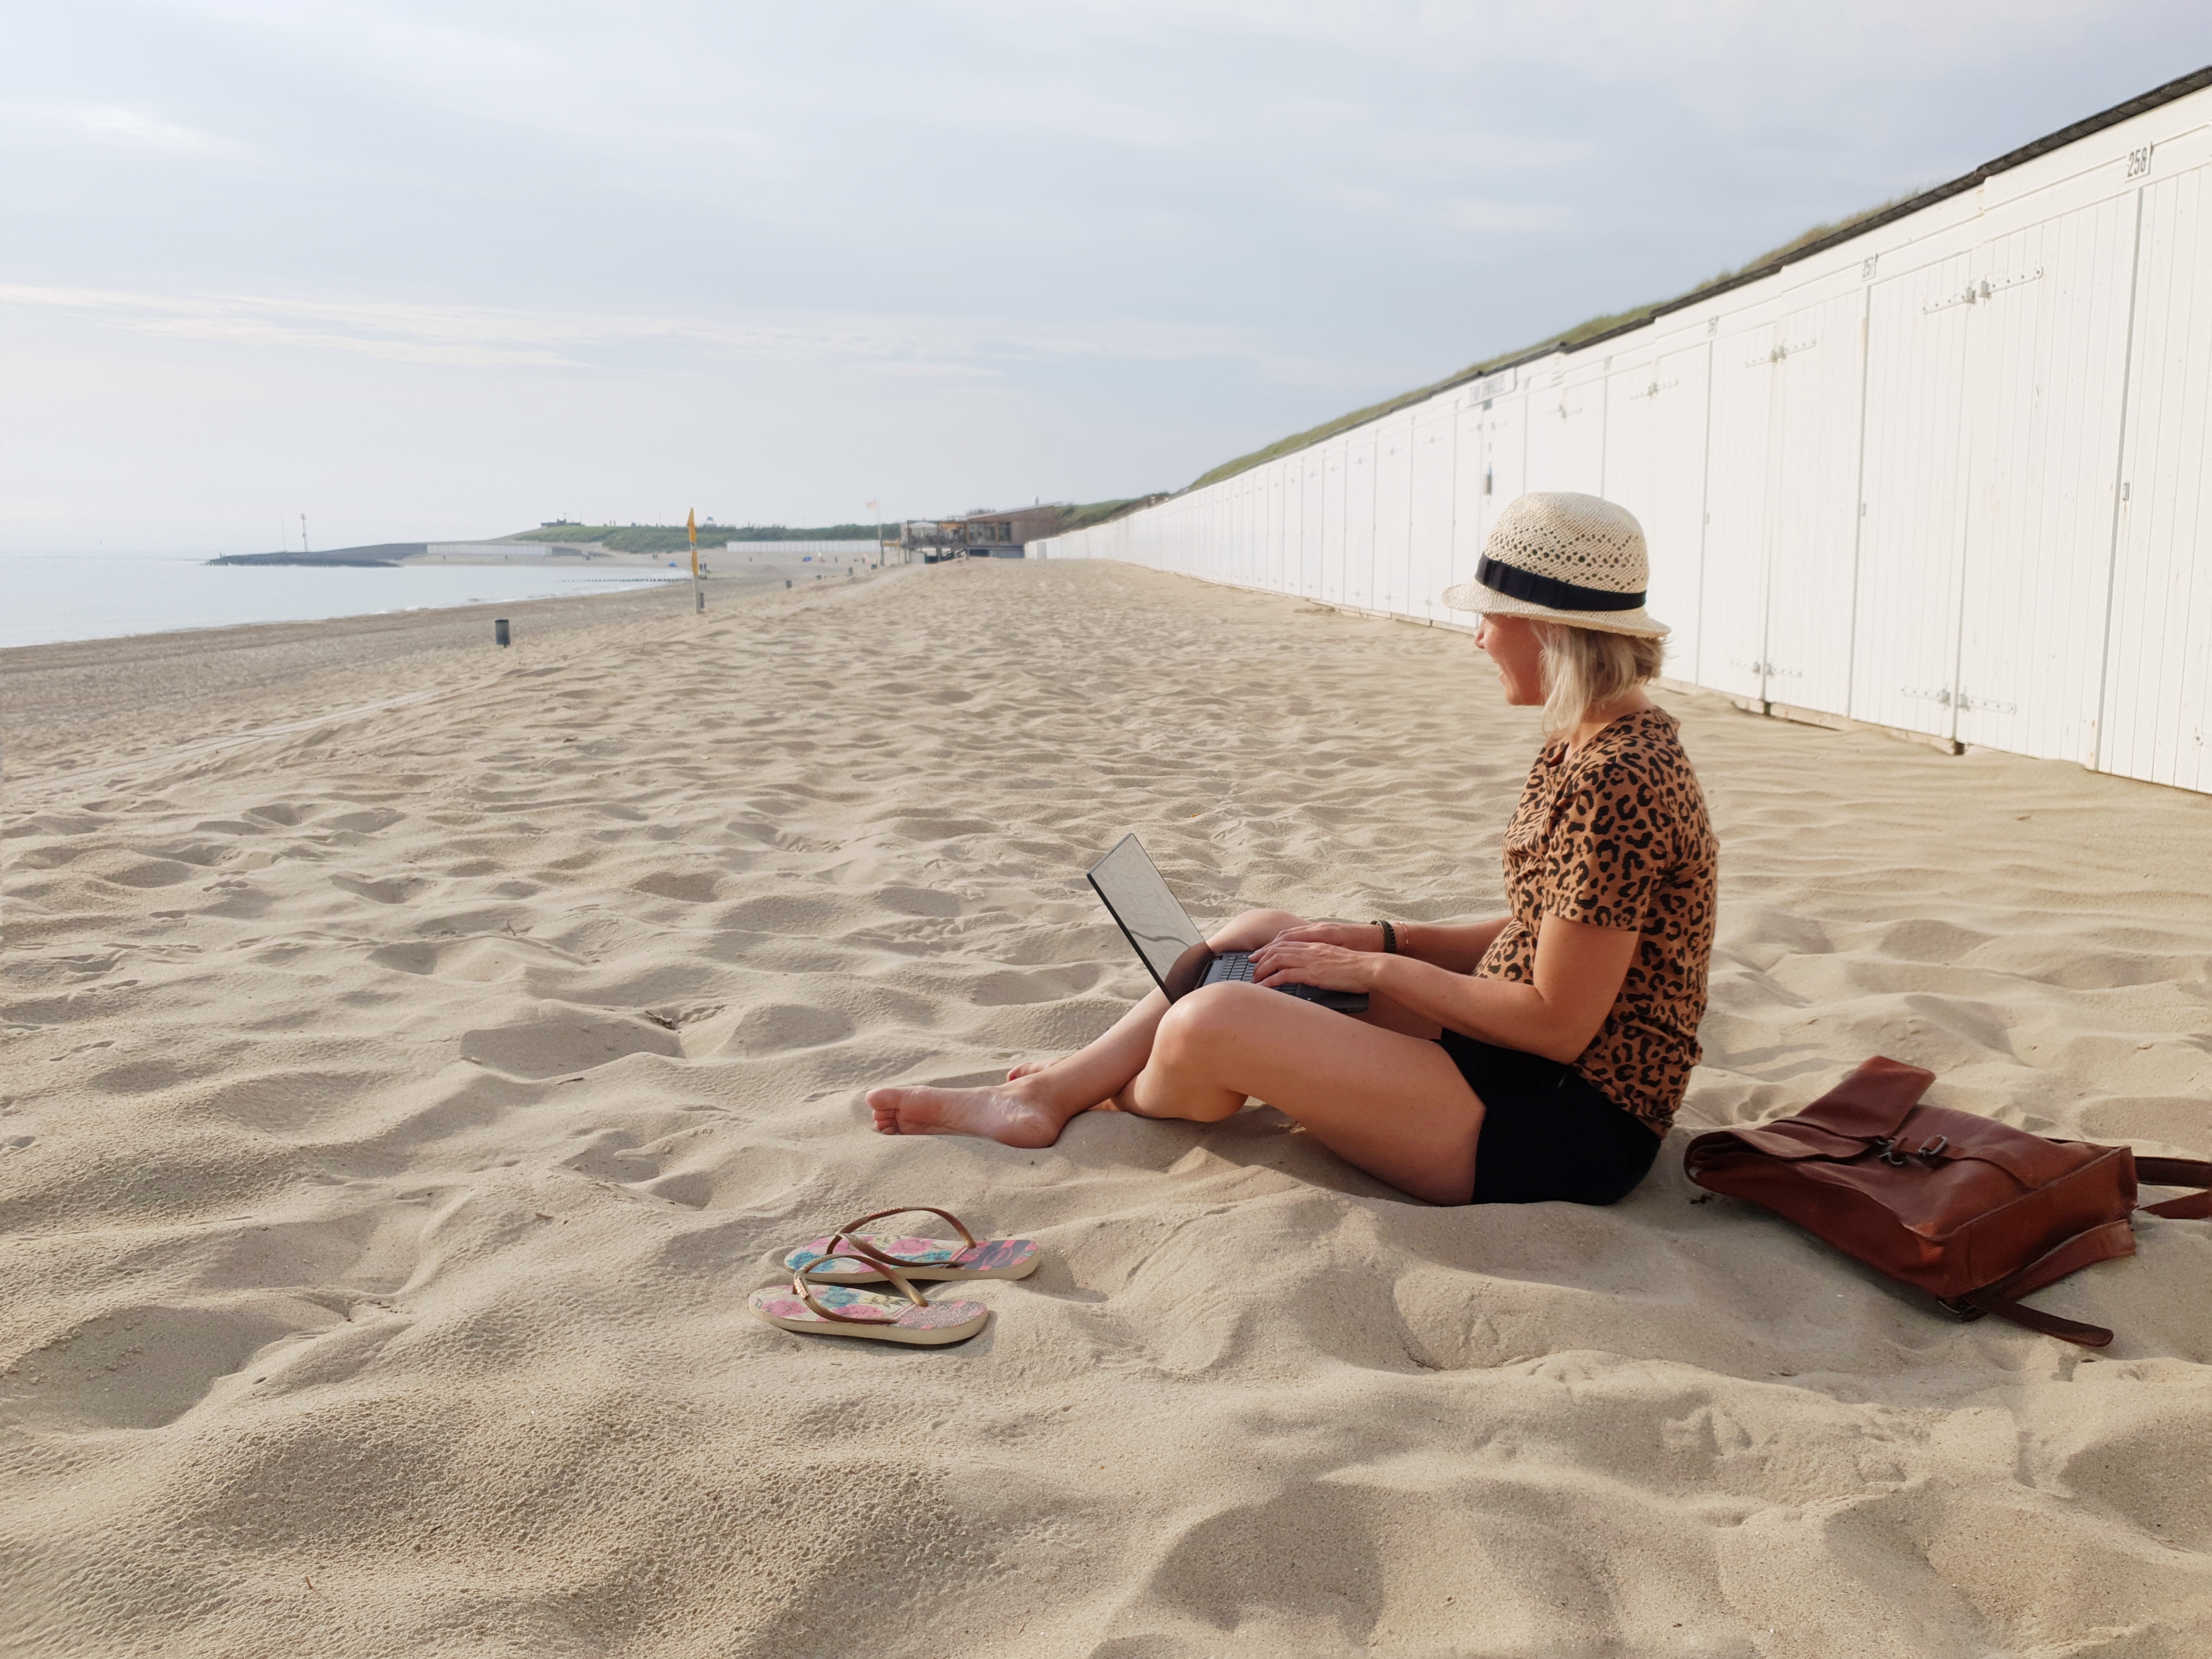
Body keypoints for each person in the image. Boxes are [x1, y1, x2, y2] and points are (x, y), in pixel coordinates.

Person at [867, 493, 1718, 1207]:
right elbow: (1546, 929)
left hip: (1562, 1121)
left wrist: (1377, 971)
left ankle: (1106, 1091)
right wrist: (1379, 938)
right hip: (1504, 1059)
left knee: (1212, 1022)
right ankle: (1058, 1090)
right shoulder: (1587, 739)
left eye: (1489, 619)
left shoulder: (1620, 779)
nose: (1478, 640)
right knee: (1261, 931)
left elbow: (1560, 1026)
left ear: (1547, 632)